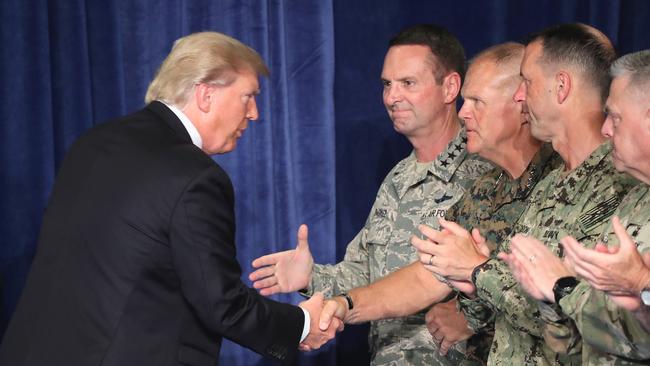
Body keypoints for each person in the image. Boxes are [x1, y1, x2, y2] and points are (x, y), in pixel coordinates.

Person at [0, 32, 341, 366]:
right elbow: (222, 305)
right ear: (206, 94)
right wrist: (303, 325)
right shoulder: (195, 176)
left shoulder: (94, 142)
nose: (254, 113)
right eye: (248, 96)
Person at [249, 24, 492, 365]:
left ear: (450, 87)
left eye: (408, 83)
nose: (392, 97)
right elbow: (365, 273)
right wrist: (311, 277)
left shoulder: (485, 172)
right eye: (387, 85)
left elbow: (509, 281)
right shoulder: (397, 179)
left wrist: (470, 312)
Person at [315, 42, 560, 366]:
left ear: (520, 103)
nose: (463, 111)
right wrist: (346, 304)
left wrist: (473, 301)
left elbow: (575, 309)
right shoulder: (487, 190)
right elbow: (424, 278)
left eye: (477, 101)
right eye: (387, 84)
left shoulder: (563, 180)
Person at [411, 23, 638, 365]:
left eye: (528, 82)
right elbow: (511, 310)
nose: (520, 96)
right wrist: (473, 287)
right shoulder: (550, 183)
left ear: (561, 87)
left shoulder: (618, 186)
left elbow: (584, 321)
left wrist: (478, 269)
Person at [502, 49, 650, 364]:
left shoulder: (615, 187)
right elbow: (592, 335)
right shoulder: (637, 199)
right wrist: (553, 296)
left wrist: (640, 287)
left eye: (616, 116)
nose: (607, 129)